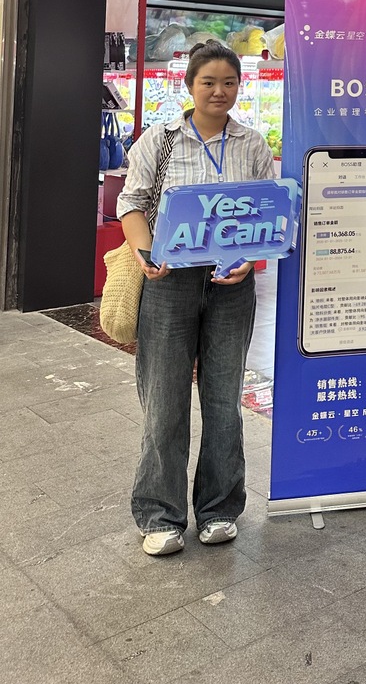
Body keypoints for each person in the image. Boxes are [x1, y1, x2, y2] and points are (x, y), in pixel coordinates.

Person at [117, 40, 275, 557]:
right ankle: (159, 514)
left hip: (232, 285)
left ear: (239, 87)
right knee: (164, 400)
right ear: (189, 85)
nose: (219, 91)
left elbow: (266, 214)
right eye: (209, 82)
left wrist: (251, 258)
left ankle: (219, 508)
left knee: (224, 400)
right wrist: (144, 252)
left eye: (229, 82)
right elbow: (131, 202)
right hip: (169, 282)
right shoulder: (160, 139)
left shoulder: (252, 144)